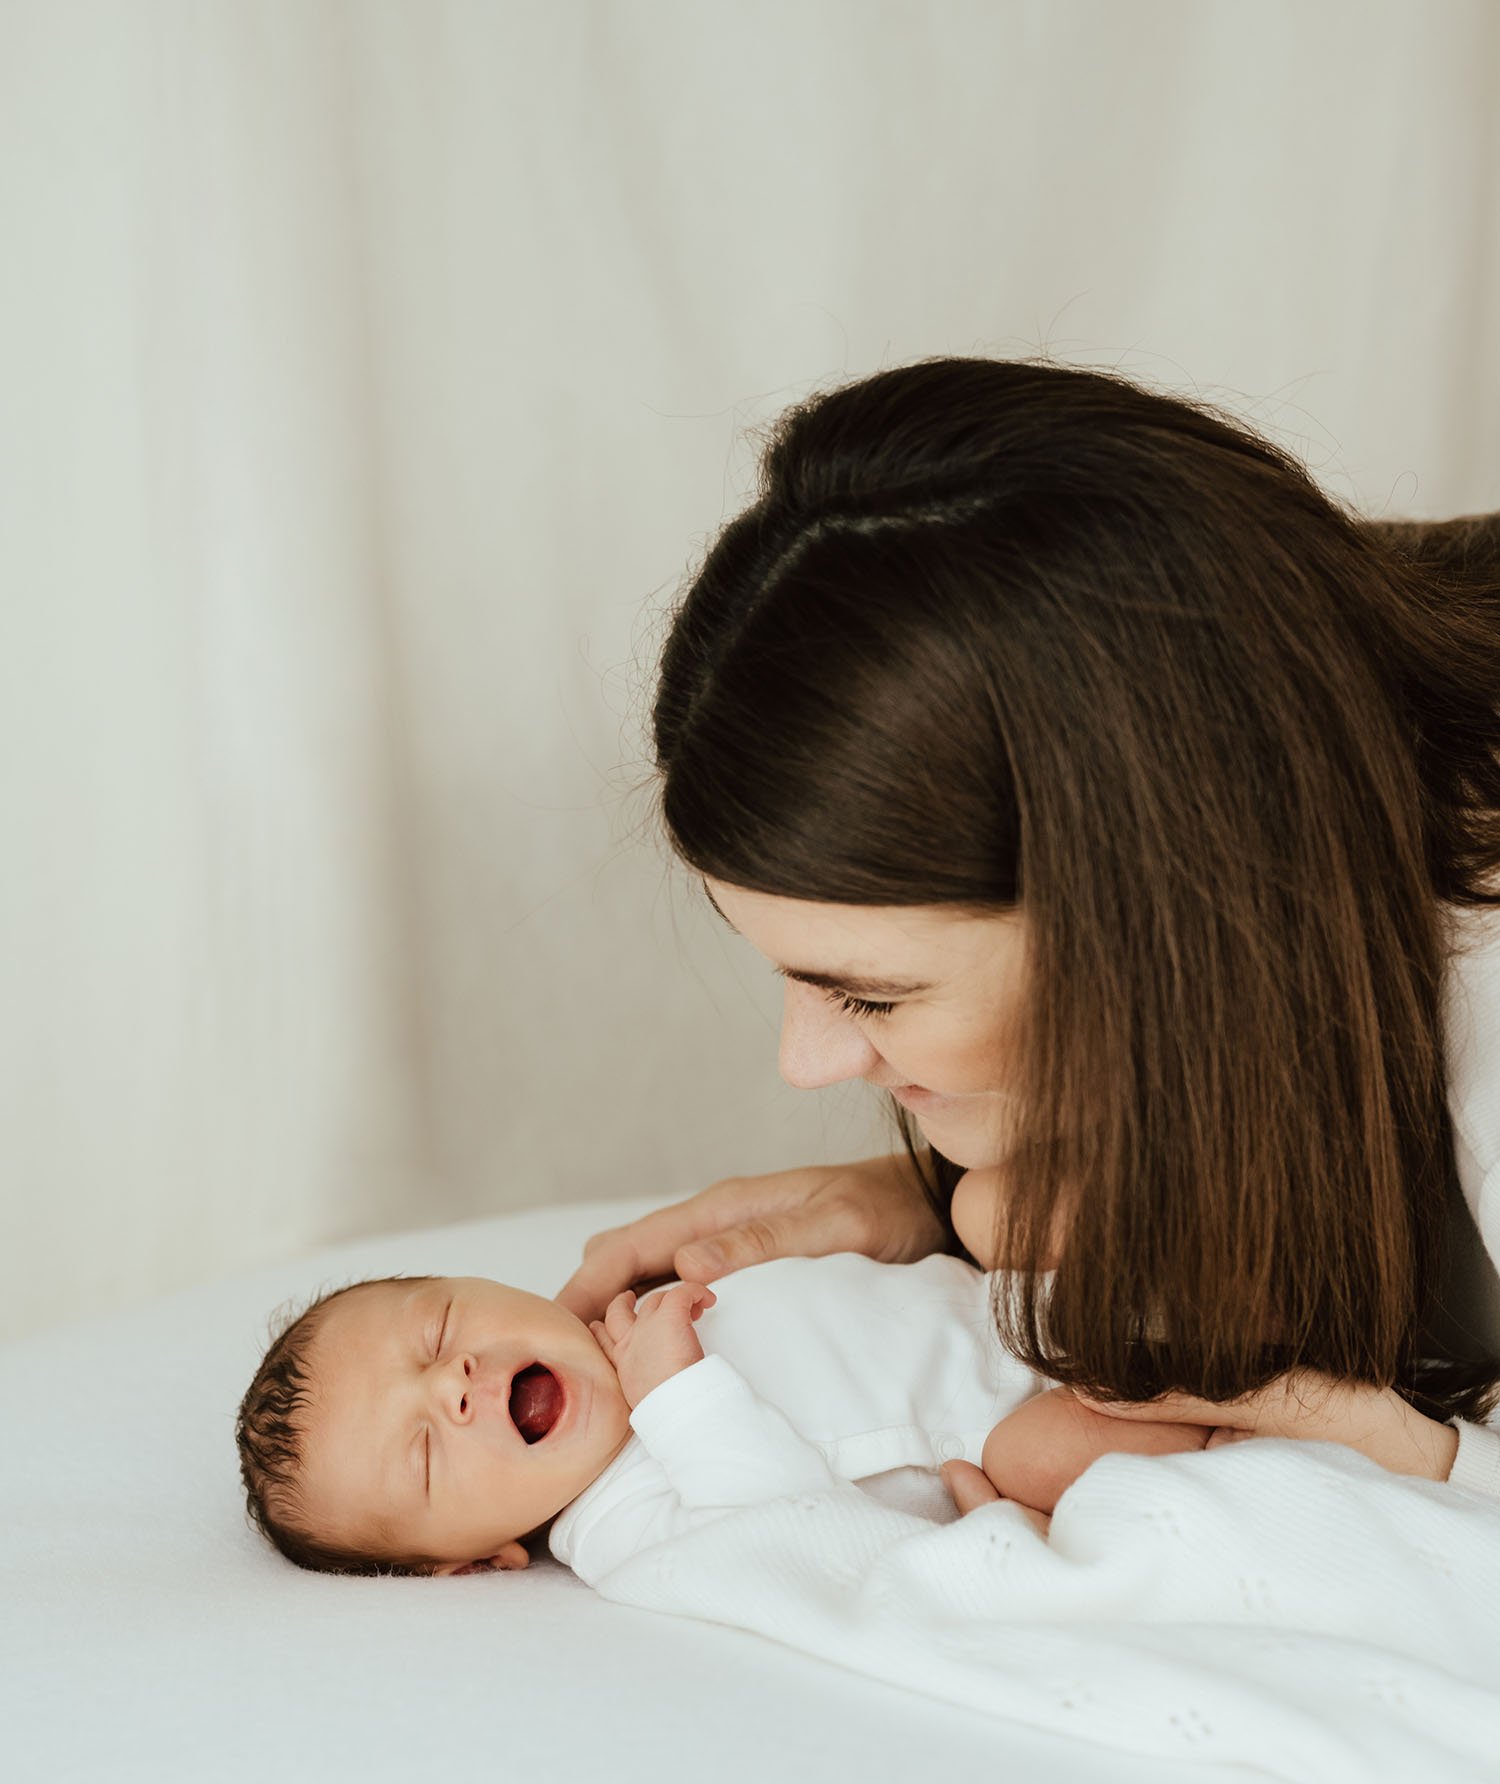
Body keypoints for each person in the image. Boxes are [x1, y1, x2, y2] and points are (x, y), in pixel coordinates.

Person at [558, 356, 1500, 1508]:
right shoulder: (1272, 659)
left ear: (1167, 908)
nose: (806, 1065)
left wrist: (1399, 1458)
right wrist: (909, 1198)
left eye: (873, 997)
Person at [233, 1232, 1238, 1580]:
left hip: (1006, 1305)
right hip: (997, 1428)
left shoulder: (632, 1311)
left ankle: (1307, 1340)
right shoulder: (616, 1525)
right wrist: (673, 1393)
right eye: (423, 1456)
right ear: (473, 1561)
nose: (451, 1387)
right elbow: (781, 1536)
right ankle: (1268, 1431)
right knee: (1050, 1452)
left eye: (440, 1329)